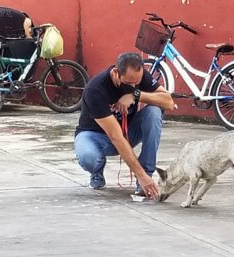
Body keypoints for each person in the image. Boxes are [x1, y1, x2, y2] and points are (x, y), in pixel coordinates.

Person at [74, 52, 174, 199]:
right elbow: (115, 137)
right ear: (116, 72)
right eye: (128, 83)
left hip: (127, 133)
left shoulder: (138, 77)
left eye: (137, 83)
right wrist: (139, 175)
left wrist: (137, 94)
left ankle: (147, 174)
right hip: (97, 136)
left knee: (153, 112)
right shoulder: (95, 90)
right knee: (89, 157)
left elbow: (169, 102)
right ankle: (97, 171)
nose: (133, 86)